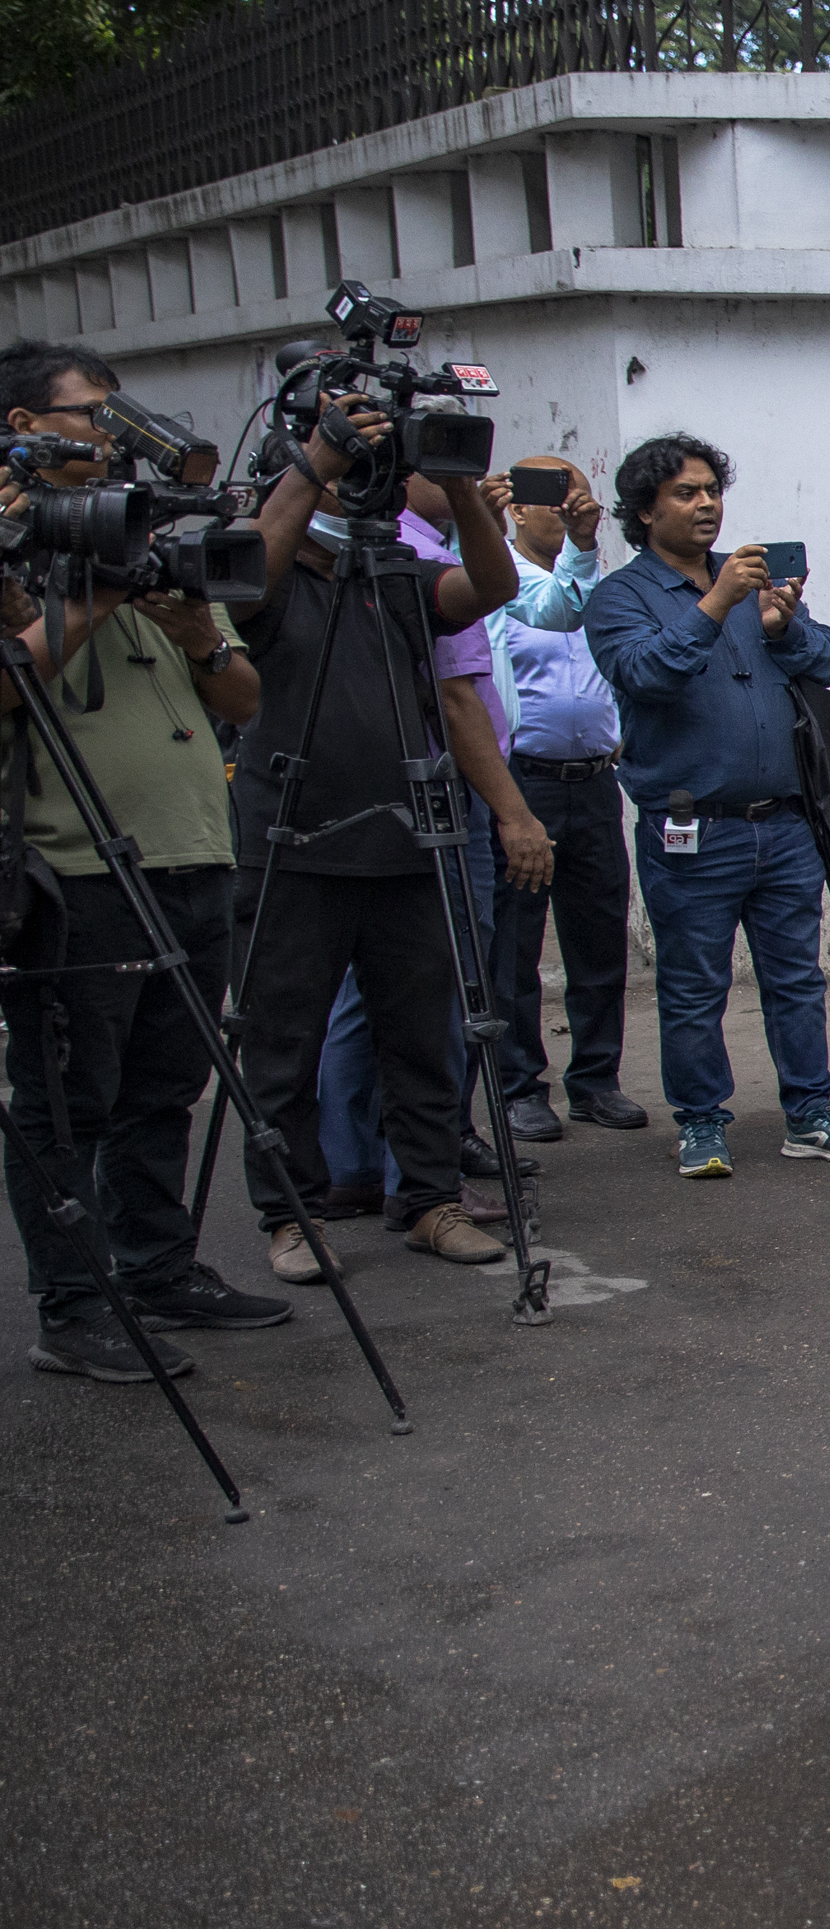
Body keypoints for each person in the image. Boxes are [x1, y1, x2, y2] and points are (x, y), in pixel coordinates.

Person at [0, 337, 293, 1376]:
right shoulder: (14, 550)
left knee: (165, 1085)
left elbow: (244, 699)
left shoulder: (147, 537)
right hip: (71, 872)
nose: (114, 438)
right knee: (66, 1101)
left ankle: (159, 1270)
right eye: (92, 416)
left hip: (190, 853)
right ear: (27, 429)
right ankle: (75, 1309)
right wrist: (86, 604)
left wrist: (193, 630)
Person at [231, 389, 535, 1276]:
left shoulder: (398, 574)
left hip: (408, 836)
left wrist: (461, 486)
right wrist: (315, 461)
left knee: (422, 1032)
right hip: (295, 839)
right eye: (340, 475)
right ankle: (292, 1216)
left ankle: (430, 1200)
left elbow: (494, 586)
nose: (358, 486)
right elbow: (248, 573)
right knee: (283, 1039)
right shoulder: (268, 578)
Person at [583, 433, 830, 1179]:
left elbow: (826, 658)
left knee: (797, 980)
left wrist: (784, 627)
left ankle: (809, 1113)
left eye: (713, 489)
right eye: (687, 492)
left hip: (782, 824)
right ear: (645, 510)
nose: (708, 503)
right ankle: (701, 1122)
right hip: (692, 828)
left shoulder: (751, 582)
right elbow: (646, 672)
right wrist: (717, 603)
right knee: (691, 986)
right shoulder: (621, 597)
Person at [474, 455, 645, 1140]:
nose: (569, 502)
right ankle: (520, 1086)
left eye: (577, 488)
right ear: (514, 508)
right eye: (552, 493)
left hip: (596, 780)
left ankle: (595, 1080)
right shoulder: (491, 580)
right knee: (517, 943)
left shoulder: (599, 580)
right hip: (526, 781)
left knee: (599, 937)